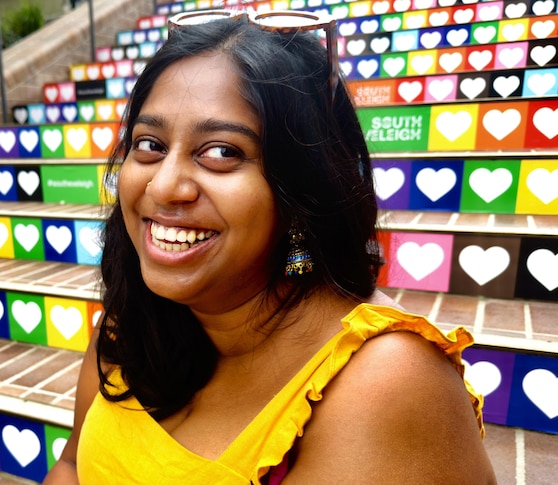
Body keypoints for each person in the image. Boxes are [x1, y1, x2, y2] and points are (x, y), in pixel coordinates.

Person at [43, 9, 496, 484]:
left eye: (221, 152)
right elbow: (73, 466)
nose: (163, 186)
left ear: (303, 189)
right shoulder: (133, 323)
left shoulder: (385, 382)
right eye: (150, 144)